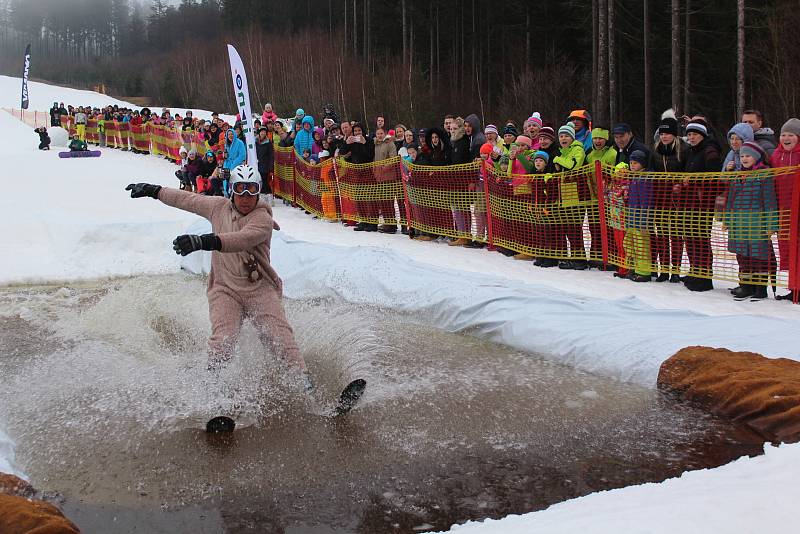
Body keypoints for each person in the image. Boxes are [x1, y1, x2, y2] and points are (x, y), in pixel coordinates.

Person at [125, 165, 313, 393]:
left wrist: (204, 242)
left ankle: (307, 391)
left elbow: (241, 239)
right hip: (225, 289)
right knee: (222, 342)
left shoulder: (262, 218)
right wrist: (153, 190)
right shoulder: (218, 207)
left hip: (259, 289)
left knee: (281, 340)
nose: (245, 197)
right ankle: (211, 393)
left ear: (259, 191)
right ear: (231, 190)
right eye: (240, 189)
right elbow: (187, 199)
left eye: (251, 190)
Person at [725, 141, 778, 301]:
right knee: (742, 255)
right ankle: (746, 285)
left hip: (757, 224)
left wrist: (771, 224)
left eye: (748, 155)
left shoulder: (764, 174)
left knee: (758, 256)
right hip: (739, 224)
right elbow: (730, 199)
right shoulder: (737, 175)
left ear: (756, 157)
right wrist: (727, 219)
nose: (744, 159)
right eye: (742, 156)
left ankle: (760, 288)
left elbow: (769, 201)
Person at [676, 119, 723, 292]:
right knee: (690, 238)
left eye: (695, 134)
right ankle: (695, 271)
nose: (692, 137)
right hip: (689, 202)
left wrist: (694, 181)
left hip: (703, 203)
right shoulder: (690, 152)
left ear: (702, 135)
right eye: (689, 134)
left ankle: (704, 277)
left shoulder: (710, 150)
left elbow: (714, 176)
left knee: (701, 239)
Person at [648, 115, 689, 282]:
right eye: (662, 133)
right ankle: (664, 269)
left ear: (674, 134)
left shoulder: (684, 149)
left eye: (667, 133)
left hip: (678, 197)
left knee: (677, 234)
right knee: (662, 234)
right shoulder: (656, 149)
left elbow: (688, 170)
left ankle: (676, 270)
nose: (664, 136)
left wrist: (680, 183)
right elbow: (651, 169)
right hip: (660, 197)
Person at [769, 118, 800, 301]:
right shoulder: (775, 155)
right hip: (783, 210)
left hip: (798, 209)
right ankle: (793, 287)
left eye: (791, 135)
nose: (786, 138)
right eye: (783, 134)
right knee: (788, 247)